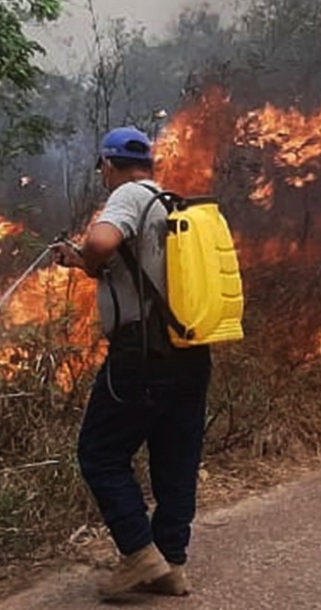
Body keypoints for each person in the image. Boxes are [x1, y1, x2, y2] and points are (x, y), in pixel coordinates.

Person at [52, 127, 211, 599]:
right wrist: (85, 264)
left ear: (107, 164)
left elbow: (102, 243)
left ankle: (140, 554)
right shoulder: (171, 200)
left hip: (141, 353)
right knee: (176, 459)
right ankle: (172, 563)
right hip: (191, 350)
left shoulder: (127, 195)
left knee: (99, 453)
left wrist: (85, 258)